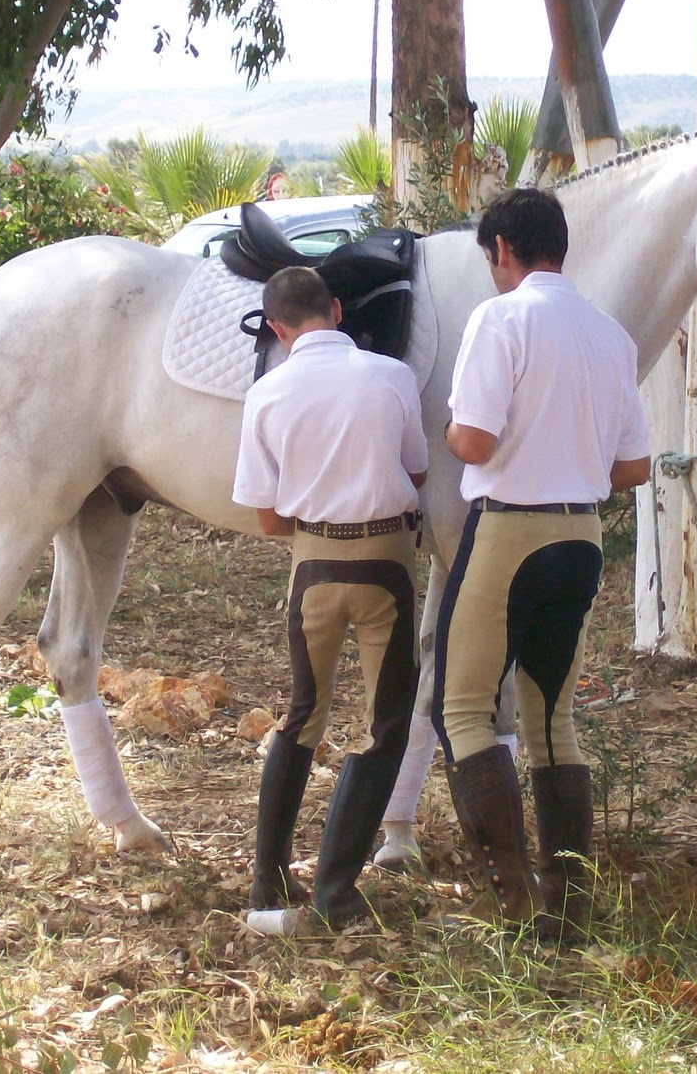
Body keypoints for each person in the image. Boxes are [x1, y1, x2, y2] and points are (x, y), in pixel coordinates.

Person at [434, 187, 651, 939]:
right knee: (552, 721)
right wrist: (571, 451)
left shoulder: (500, 318)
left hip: (510, 533)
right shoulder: (610, 336)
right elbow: (636, 466)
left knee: (459, 708)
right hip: (581, 537)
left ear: (501, 251)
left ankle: (511, 903)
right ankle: (569, 909)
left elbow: (475, 442)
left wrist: (453, 429)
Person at [232, 265, 429, 935]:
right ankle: (337, 889)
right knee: (386, 725)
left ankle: (268, 877)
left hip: (313, 566)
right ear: (337, 311)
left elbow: (266, 518)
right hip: (386, 568)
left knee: (301, 715)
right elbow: (418, 470)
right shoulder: (392, 377)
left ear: (279, 331)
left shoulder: (266, 394)